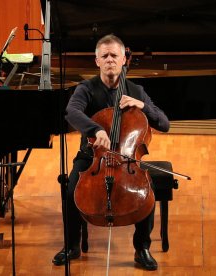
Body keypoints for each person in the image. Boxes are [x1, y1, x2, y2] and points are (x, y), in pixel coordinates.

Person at [52, 34, 170, 271]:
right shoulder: (86, 89)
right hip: (92, 157)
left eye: (114, 55)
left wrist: (143, 106)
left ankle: (142, 248)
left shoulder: (135, 90)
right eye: (104, 56)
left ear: (124, 59)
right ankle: (72, 245)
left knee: (148, 192)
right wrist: (95, 129)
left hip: (128, 157)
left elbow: (164, 123)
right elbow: (72, 112)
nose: (109, 60)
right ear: (97, 61)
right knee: (71, 187)